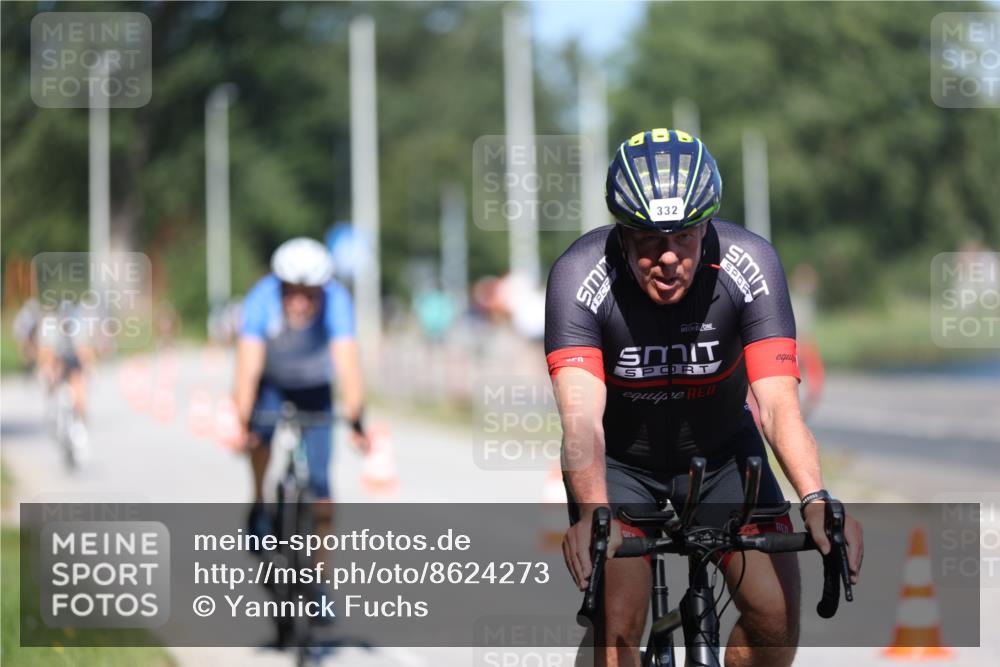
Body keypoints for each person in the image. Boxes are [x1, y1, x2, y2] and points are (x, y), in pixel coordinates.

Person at [544, 129, 863, 667]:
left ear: (707, 225)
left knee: (775, 622)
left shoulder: (751, 262)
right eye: (648, 240)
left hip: (721, 456)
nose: (668, 258)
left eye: (684, 237)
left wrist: (814, 497)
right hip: (622, 464)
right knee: (617, 632)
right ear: (621, 234)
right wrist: (593, 514)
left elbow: (779, 406)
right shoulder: (579, 276)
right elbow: (582, 425)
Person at [234, 237, 368, 544]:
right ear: (278, 286)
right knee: (259, 437)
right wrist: (243, 421)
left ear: (322, 290)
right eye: (290, 292)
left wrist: (357, 419)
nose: (299, 302)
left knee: (321, 482)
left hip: (315, 385)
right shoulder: (261, 299)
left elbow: (348, 366)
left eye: (309, 294)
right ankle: (258, 501)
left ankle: (320, 576)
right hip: (273, 382)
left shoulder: (338, 302)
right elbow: (248, 368)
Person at [36, 300, 96, 460]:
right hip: (58, 360)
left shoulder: (79, 328)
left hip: (74, 361)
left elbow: (84, 353)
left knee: (80, 394)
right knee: (51, 379)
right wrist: (47, 373)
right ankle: (53, 413)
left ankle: (81, 428)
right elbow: (46, 353)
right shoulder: (51, 328)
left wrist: (87, 371)